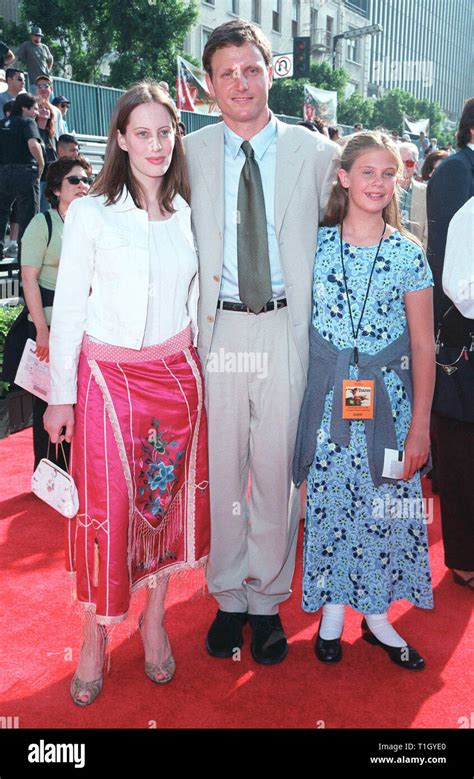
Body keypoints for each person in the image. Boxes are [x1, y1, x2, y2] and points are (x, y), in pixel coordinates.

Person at [43, 81, 210, 706]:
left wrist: (205, 375)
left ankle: (155, 619)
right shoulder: (89, 213)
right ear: (119, 139)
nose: (156, 144)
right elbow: (69, 315)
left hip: (177, 382)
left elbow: (197, 303)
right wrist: (61, 395)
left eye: (165, 132)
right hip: (107, 385)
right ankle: (94, 638)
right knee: (107, 514)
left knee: (165, 507)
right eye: (143, 132)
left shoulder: (191, 212)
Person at [184, 20, 339, 665]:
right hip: (221, 330)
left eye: (251, 69)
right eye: (227, 73)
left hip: (283, 327)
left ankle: (269, 598)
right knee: (226, 472)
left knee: (275, 469)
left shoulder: (316, 153)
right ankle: (226, 596)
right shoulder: (187, 155)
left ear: (271, 70)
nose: (240, 83)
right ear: (211, 85)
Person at [293, 131, 435, 669]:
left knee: (385, 509)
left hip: (391, 410)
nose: (378, 183)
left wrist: (419, 427)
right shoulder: (315, 244)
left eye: (388, 173)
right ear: (344, 176)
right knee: (329, 503)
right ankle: (331, 610)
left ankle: (377, 618)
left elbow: (423, 345)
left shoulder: (407, 253)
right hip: (329, 404)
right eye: (367, 172)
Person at [427, 97, 474, 591]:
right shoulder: (457, 173)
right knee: (460, 450)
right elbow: (448, 271)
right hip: (459, 337)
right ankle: (462, 556)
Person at [21, 156, 92, 469]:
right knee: (47, 400)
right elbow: (28, 278)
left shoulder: (90, 222)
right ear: (55, 189)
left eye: (86, 180)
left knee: (79, 398)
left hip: (84, 326)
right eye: (74, 181)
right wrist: (42, 330)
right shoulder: (43, 223)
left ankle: (77, 467)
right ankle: (49, 472)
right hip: (47, 325)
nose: (82, 186)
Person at [0, 93, 44, 264]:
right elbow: (33, 144)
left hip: (3, 173)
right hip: (25, 172)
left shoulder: (2, 123)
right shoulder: (28, 122)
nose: (37, 112)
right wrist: (41, 164)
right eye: (34, 108)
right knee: (28, 216)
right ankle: (26, 259)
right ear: (24, 108)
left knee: (2, 212)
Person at [398, 141, 428, 248]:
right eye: (400, 162)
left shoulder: (425, 192)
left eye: (409, 163)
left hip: (414, 250)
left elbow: (427, 231)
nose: (404, 167)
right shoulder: (384, 189)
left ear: (415, 165)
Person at [36, 100, 57, 211]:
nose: (44, 110)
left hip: (50, 179)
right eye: (41, 108)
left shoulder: (51, 135)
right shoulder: (32, 131)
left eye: (46, 108)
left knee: (47, 210)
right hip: (38, 177)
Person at [35, 75, 64, 140]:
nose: (42, 89)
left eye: (46, 86)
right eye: (39, 86)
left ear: (51, 89)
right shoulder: (32, 108)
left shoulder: (56, 111)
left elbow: (60, 133)